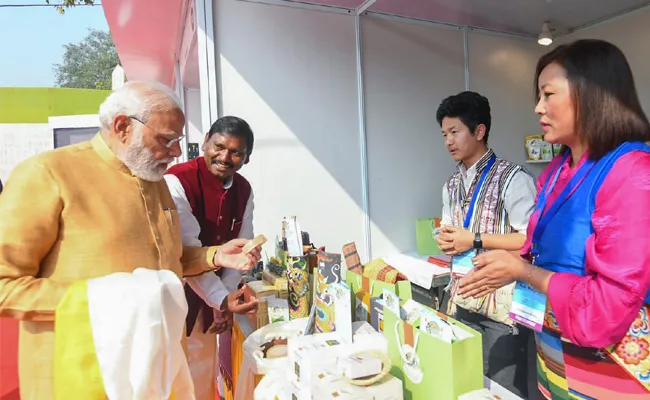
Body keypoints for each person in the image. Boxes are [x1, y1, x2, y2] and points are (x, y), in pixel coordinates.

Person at [0, 81, 262, 399]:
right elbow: (6, 286)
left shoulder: (155, 183)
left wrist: (216, 256)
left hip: (156, 371)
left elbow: (169, 261)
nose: (178, 151)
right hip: (81, 374)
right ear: (123, 126)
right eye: (167, 140)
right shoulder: (47, 174)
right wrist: (107, 301)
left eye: (178, 141)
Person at [459, 39, 650, 399]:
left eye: (548, 94)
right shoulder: (559, 169)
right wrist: (505, 266)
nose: (537, 107)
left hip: (609, 367)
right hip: (555, 355)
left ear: (592, 93)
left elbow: (611, 303)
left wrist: (524, 272)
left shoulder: (632, 173)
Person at [435, 91, 536, 397]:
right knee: (466, 386)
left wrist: (474, 238)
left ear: (479, 131)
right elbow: (452, 232)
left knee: (502, 391)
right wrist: (447, 241)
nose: (449, 141)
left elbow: (530, 241)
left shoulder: (513, 178)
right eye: (444, 134)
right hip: (462, 299)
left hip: (501, 312)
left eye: (455, 132)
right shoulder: (451, 184)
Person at [165, 116, 258, 400]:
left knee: (204, 373)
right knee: (176, 376)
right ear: (205, 141)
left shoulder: (244, 189)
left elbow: (241, 250)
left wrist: (225, 300)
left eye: (236, 152)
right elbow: (187, 250)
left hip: (215, 298)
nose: (225, 157)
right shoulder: (176, 181)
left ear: (247, 157)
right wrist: (220, 300)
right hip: (178, 295)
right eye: (219, 146)